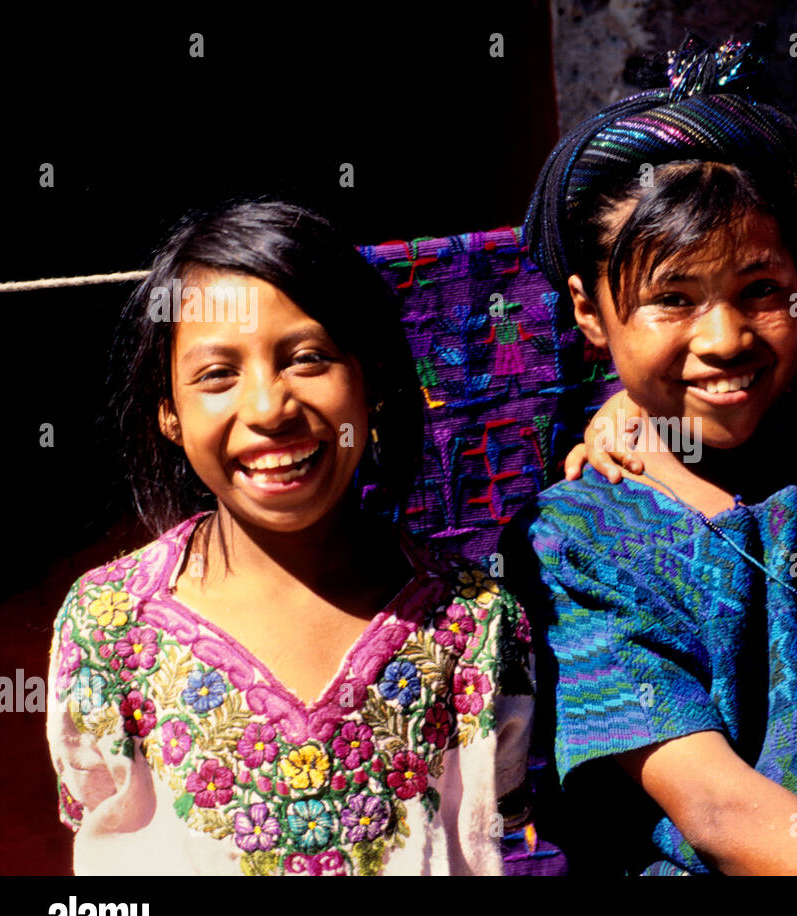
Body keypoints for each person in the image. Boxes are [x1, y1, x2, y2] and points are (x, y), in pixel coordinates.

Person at [505, 37, 797, 875]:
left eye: (760, 290)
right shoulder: (575, 546)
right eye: (672, 301)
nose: (723, 340)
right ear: (589, 311)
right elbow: (717, 808)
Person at [46, 200, 534, 875]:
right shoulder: (107, 626)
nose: (271, 408)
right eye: (218, 374)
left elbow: (491, 835)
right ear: (169, 411)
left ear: (374, 382)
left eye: (308, 358)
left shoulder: (473, 621)